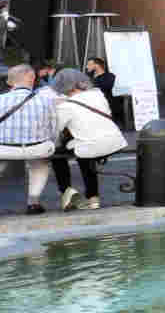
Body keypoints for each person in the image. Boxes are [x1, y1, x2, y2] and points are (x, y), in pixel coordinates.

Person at [50, 67, 126, 210]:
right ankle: (93, 197)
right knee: (84, 151)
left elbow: (55, 130)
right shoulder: (98, 94)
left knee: (58, 154)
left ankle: (66, 191)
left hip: (91, 146)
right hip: (115, 141)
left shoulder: (66, 106)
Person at [0, 63, 62, 213]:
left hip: (3, 149)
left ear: (9, 82)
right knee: (40, 164)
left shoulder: (1, 99)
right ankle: (33, 202)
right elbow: (54, 129)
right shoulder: (46, 100)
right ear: (33, 79)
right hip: (37, 148)